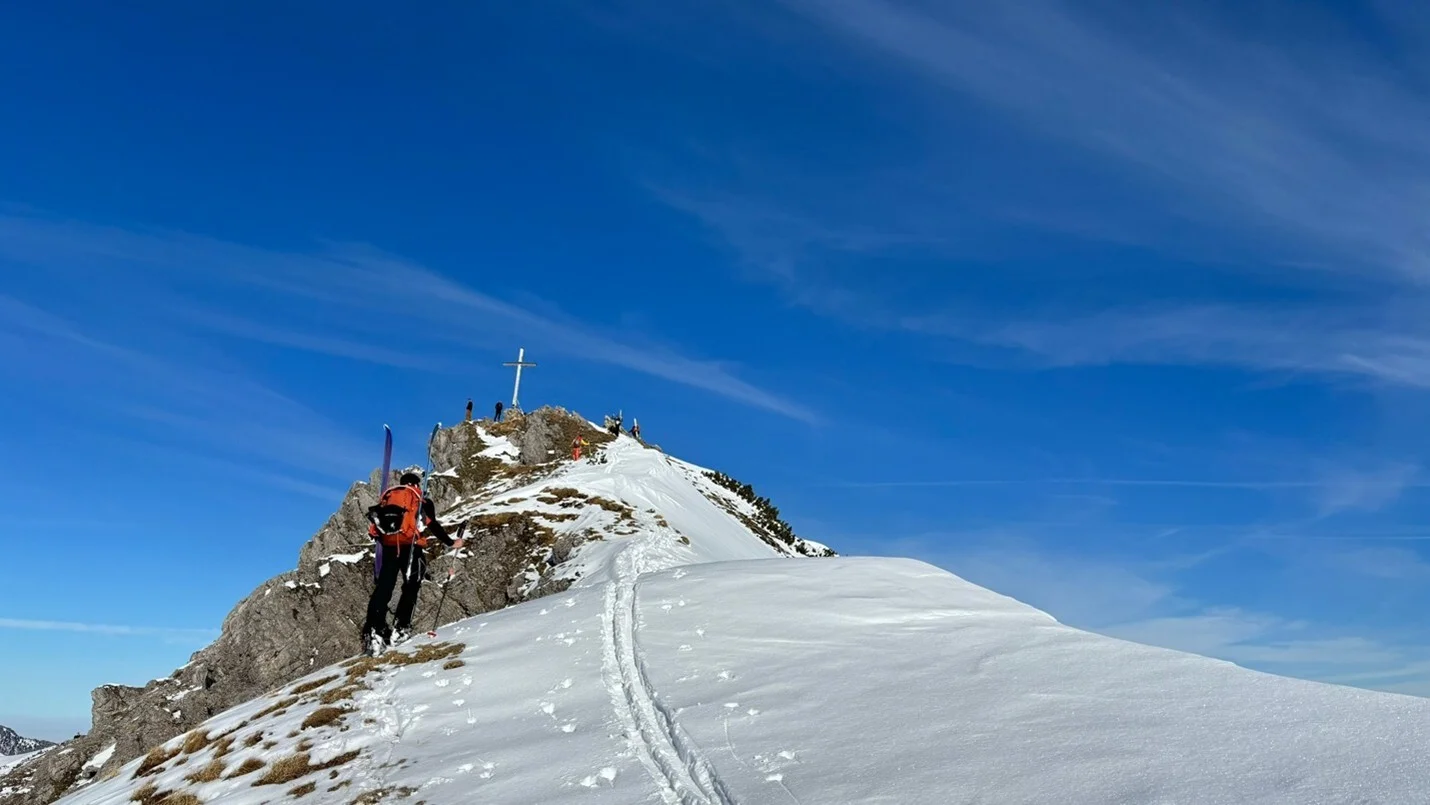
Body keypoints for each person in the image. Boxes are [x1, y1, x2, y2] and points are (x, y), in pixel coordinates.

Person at [363, 470, 465, 655]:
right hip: (411, 547)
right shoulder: (419, 500)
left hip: (389, 547)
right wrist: (451, 542)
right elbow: (432, 524)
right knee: (411, 585)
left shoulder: (388, 499)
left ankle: (374, 632)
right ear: (417, 485)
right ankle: (401, 628)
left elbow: (375, 530)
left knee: (384, 588)